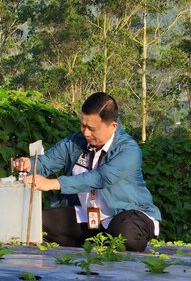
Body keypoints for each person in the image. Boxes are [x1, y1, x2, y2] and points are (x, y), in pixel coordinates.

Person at [11, 92, 160, 252]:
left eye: (92, 128)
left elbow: (101, 178)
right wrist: (29, 163)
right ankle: (92, 243)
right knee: (36, 223)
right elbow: (46, 163)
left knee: (125, 237)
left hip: (127, 213)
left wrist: (54, 183)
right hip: (89, 217)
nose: (85, 133)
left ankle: (102, 242)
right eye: (83, 125)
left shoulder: (129, 150)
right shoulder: (74, 142)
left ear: (113, 126)